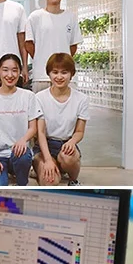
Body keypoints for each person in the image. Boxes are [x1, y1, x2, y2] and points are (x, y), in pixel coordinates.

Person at [0, 54, 41, 186]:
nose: (10, 75)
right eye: (5, 70)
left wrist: (23, 140)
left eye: (14, 70)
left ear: (20, 72)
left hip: (19, 153)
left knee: (23, 157)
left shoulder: (28, 96)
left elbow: (33, 127)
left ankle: (22, 184)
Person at [35, 53, 88, 185]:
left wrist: (72, 142)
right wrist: (48, 160)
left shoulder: (81, 99)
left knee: (68, 158)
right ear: (49, 74)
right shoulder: (39, 98)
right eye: (55, 72)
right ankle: (44, 167)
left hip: (66, 144)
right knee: (50, 182)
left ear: (71, 74)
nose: (59, 77)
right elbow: (40, 132)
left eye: (64, 72)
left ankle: (73, 181)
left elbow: (79, 131)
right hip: (45, 146)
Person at [26, 0, 78, 93]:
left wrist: (61, 61)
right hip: (41, 76)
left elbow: (73, 46)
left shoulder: (71, 17)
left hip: (66, 75)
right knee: (40, 104)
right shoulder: (35, 17)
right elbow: (28, 44)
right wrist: (41, 58)